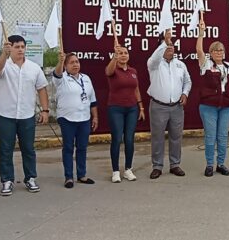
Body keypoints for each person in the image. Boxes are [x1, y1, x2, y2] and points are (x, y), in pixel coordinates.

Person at [0, 35, 49, 196]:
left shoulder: (33, 68)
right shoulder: (4, 65)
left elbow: (42, 88)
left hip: (26, 115)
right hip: (5, 115)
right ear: (10, 48)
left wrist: (45, 110)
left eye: (22, 47)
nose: (20, 50)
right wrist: (3, 55)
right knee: (6, 149)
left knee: (29, 149)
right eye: (17, 47)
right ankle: (7, 180)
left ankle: (30, 177)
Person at [147, 30, 192, 179]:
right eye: (167, 45)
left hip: (177, 108)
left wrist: (185, 93)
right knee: (158, 137)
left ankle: (175, 164)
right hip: (158, 107)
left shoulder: (180, 65)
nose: (171, 47)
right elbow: (154, 57)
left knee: (176, 137)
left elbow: (187, 81)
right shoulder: (154, 64)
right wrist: (164, 41)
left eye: (172, 45)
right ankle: (157, 166)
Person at [53, 52, 99, 188]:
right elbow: (56, 74)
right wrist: (60, 62)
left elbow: (93, 100)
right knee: (68, 147)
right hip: (67, 118)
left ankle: (81, 175)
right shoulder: (62, 79)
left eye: (77, 62)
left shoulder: (86, 78)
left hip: (84, 118)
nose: (75, 64)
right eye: (71, 62)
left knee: (82, 147)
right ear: (66, 66)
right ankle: (68, 177)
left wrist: (95, 116)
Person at [196, 19, 229, 177]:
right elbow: (199, 50)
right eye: (215, 50)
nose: (219, 53)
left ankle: (221, 163)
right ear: (211, 53)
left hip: (226, 106)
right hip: (209, 105)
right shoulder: (205, 64)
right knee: (211, 135)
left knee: (223, 135)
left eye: (221, 50)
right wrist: (201, 33)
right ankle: (209, 164)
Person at [105, 42, 145, 183]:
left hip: (132, 109)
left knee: (129, 139)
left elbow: (136, 89)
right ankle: (115, 171)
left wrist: (141, 107)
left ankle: (128, 169)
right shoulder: (113, 69)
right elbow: (108, 72)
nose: (123, 55)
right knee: (117, 139)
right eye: (120, 53)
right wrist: (114, 58)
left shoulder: (133, 71)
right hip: (116, 108)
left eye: (125, 53)